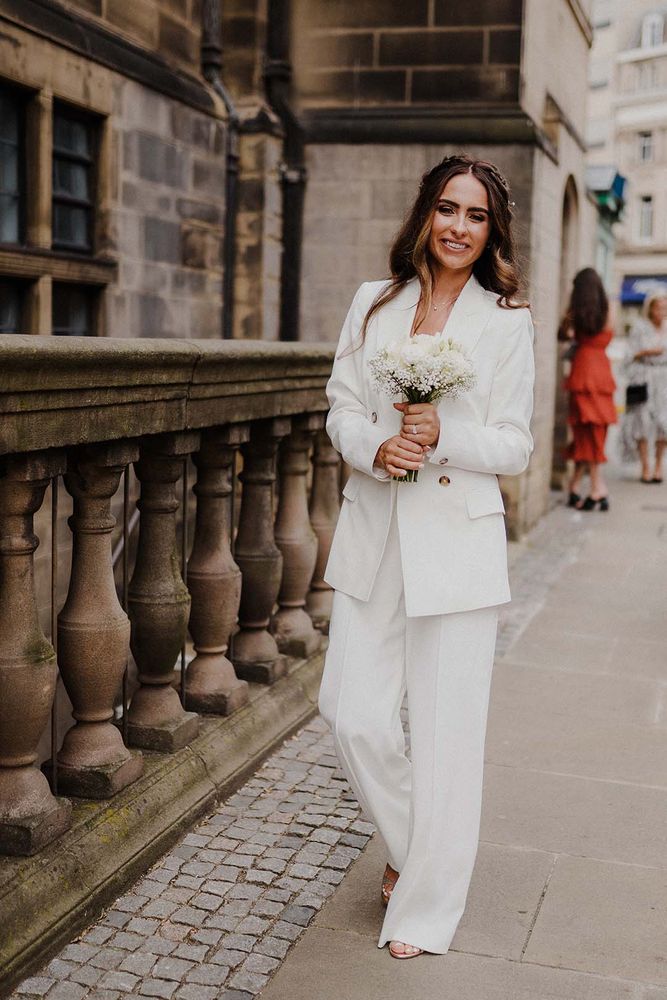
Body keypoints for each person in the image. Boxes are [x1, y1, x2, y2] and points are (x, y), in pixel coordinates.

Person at [317, 155, 535, 960]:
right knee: (351, 714)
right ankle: (414, 847)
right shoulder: (373, 307)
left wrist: (446, 434)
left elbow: (514, 444)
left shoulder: (505, 321)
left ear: (491, 230)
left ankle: (424, 908)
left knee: (446, 735)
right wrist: (375, 446)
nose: (458, 228)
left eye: (475, 216)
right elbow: (340, 402)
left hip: (456, 540)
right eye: (447, 209)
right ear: (424, 214)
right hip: (375, 529)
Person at [559, 268, 617, 510]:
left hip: (583, 369)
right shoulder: (608, 309)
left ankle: (589, 487)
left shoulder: (576, 312)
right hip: (601, 371)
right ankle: (593, 488)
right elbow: (610, 332)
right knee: (592, 430)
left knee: (586, 430)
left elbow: (562, 335)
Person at [621, 292, 667, 483]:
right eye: (659, 307)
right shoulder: (640, 328)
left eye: (665, 308)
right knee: (641, 423)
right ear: (650, 309)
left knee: (663, 425)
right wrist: (647, 352)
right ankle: (645, 467)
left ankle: (658, 467)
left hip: (664, 380)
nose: (662, 311)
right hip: (643, 379)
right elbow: (629, 355)